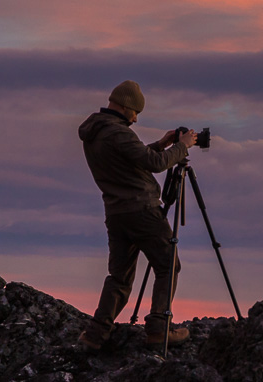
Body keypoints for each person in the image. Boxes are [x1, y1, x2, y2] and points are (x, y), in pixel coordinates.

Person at [77, 80, 197, 351]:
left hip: (116, 212)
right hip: (141, 210)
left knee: (119, 277)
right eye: (135, 113)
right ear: (126, 106)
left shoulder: (98, 131)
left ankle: (96, 335)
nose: (135, 119)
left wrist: (162, 144)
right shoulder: (118, 133)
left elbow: (134, 158)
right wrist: (182, 147)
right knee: (168, 264)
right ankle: (158, 328)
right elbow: (154, 164)